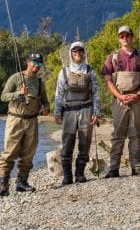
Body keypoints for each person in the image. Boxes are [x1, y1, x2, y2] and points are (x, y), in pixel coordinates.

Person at [101, 25, 140, 177]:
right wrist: (119, 96)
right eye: (122, 36)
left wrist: (138, 94)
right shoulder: (112, 57)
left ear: (132, 37)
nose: (125, 38)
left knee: (135, 133)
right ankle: (114, 169)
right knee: (117, 133)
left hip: (137, 99)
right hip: (119, 100)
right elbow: (108, 80)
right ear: (119, 38)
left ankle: (136, 167)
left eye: (127, 35)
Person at [0, 53, 50, 196]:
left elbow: (45, 101)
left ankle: (22, 182)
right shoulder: (15, 78)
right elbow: (3, 96)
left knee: (28, 154)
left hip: (32, 121)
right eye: (34, 63)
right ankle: (3, 184)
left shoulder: (39, 83)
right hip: (15, 120)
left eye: (39, 64)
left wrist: (46, 108)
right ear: (28, 62)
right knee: (9, 152)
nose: (36, 66)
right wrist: (17, 94)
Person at [54, 41, 100, 185]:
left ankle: (80, 174)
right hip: (68, 111)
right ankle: (67, 176)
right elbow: (59, 93)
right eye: (75, 51)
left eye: (80, 51)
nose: (78, 53)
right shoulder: (63, 72)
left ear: (84, 53)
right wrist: (57, 112)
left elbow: (96, 93)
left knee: (85, 143)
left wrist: (96, 112)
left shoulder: (91, 71)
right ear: (71, 54)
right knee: (67, 143)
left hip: (86, 109)